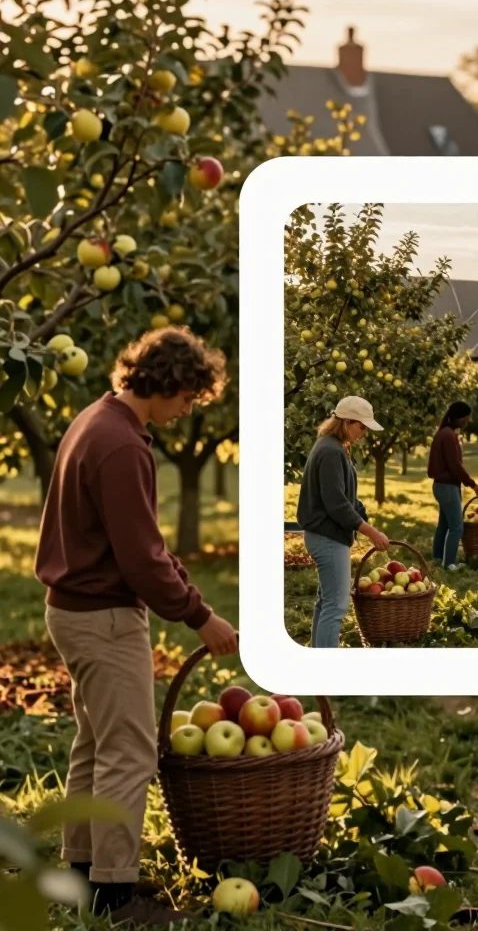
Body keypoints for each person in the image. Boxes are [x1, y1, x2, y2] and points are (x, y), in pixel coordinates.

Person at [36, 328, 238, 925]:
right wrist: (200, 616)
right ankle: (114, 896)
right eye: (189, 398)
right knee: (128, 752)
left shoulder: (94, 420)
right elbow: (142, 561)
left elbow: (142, 541)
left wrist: (183, 586)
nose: (187, 411)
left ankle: (82, 871)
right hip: (103, 616)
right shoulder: (122, 445)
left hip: (69, 608)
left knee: (95, 745)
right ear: (169, 382)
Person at [297, 396, 390, 648]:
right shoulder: (330, 451)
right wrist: (370, 532)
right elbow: (336, 504)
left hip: (326, 535)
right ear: (347, 422)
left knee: (326, 602)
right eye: (362, 427)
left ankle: (318, 660)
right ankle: (326, 673)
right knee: (336, 607)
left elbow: (346, 496)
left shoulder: (335, 446)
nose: (364, 434)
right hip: (327, 537)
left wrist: (362, 516)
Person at [428, 402, 478, 569]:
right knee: (457, 527)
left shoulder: (445, 433)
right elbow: (455, 465)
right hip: (447, 487)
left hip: (442, 485)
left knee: (444, 525)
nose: (467, 421)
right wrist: (473, 485)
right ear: (458, 417)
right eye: (465, 418)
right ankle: (449, 564)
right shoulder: (448, 435)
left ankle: (438, 559)